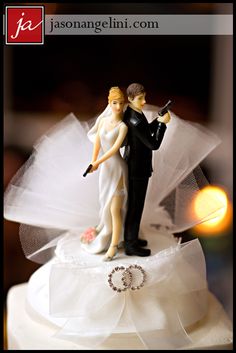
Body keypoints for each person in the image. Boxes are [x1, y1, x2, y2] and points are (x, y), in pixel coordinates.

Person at [80, 87, 128, 261]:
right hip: (105, 170)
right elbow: (98, 143)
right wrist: (94, 161)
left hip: (117, 168)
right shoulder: (102, 121)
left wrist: (97, 162)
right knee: (105, 205)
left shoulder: (123, 126)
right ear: (109, 103)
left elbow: (114, 149)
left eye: (121, 104)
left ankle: (113, 247)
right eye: (115, 103)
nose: (118, 107)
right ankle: (108, 235)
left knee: (115, 209)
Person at [123, 83, 171, 257]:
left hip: (138, 167)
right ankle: (130, 243)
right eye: (140, 98)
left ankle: (132, 238)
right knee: (135, 207)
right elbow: (153, 144)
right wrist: (162, 125)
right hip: (137, 169)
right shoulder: (133, 118)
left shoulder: (135, 113)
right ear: (130, 99)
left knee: (136, 206)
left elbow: (144, 132)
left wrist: (156, 121)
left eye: (144, 97)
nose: (144, 101)